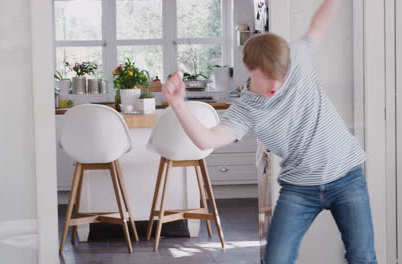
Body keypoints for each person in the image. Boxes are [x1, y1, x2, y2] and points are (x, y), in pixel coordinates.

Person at [161, 0, 377, 263]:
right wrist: (178, 104)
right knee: (275, 259)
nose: (276, 84)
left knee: (363, 257)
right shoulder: (246, 109)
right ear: (249, 68)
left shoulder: (298, 56)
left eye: (281, 76)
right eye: (267, 76)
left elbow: (319, 24)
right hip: (299, 189)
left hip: (347, 177)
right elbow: (207, 139)